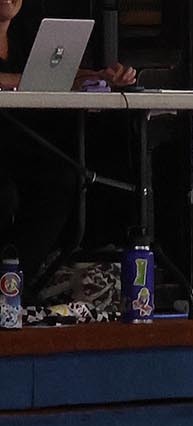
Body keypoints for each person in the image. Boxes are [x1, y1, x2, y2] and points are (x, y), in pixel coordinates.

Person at [0, 0, 133, 289]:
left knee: (63, 180)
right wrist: (25, 81)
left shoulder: (28, 31)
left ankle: (13, 287)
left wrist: (99, 76)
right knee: (4, 195)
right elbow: (30, 80)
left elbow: (52, 75)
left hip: (24, 144)